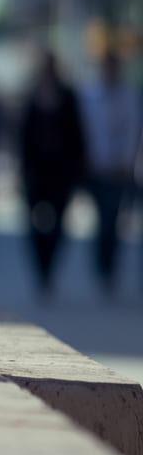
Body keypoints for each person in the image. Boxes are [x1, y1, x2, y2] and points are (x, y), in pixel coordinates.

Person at [18, 48, 86, 296]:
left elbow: (78, 134)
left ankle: (50, 269)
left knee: (58, 224)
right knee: (34, 225)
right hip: (36, 174)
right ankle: (41, 270)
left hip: (62, 174)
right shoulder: (32, 95)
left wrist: (79, 170)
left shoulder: (68, 96)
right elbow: (23, 137)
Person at [77, 47, 142, 295]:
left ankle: (109, 269)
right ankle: (101, 266)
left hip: (119, 170)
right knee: (101, 220)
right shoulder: (90, 95)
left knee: (113, 221)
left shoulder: (129, 96)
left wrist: (126, 161)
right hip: (96, 168)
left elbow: (131, 131)